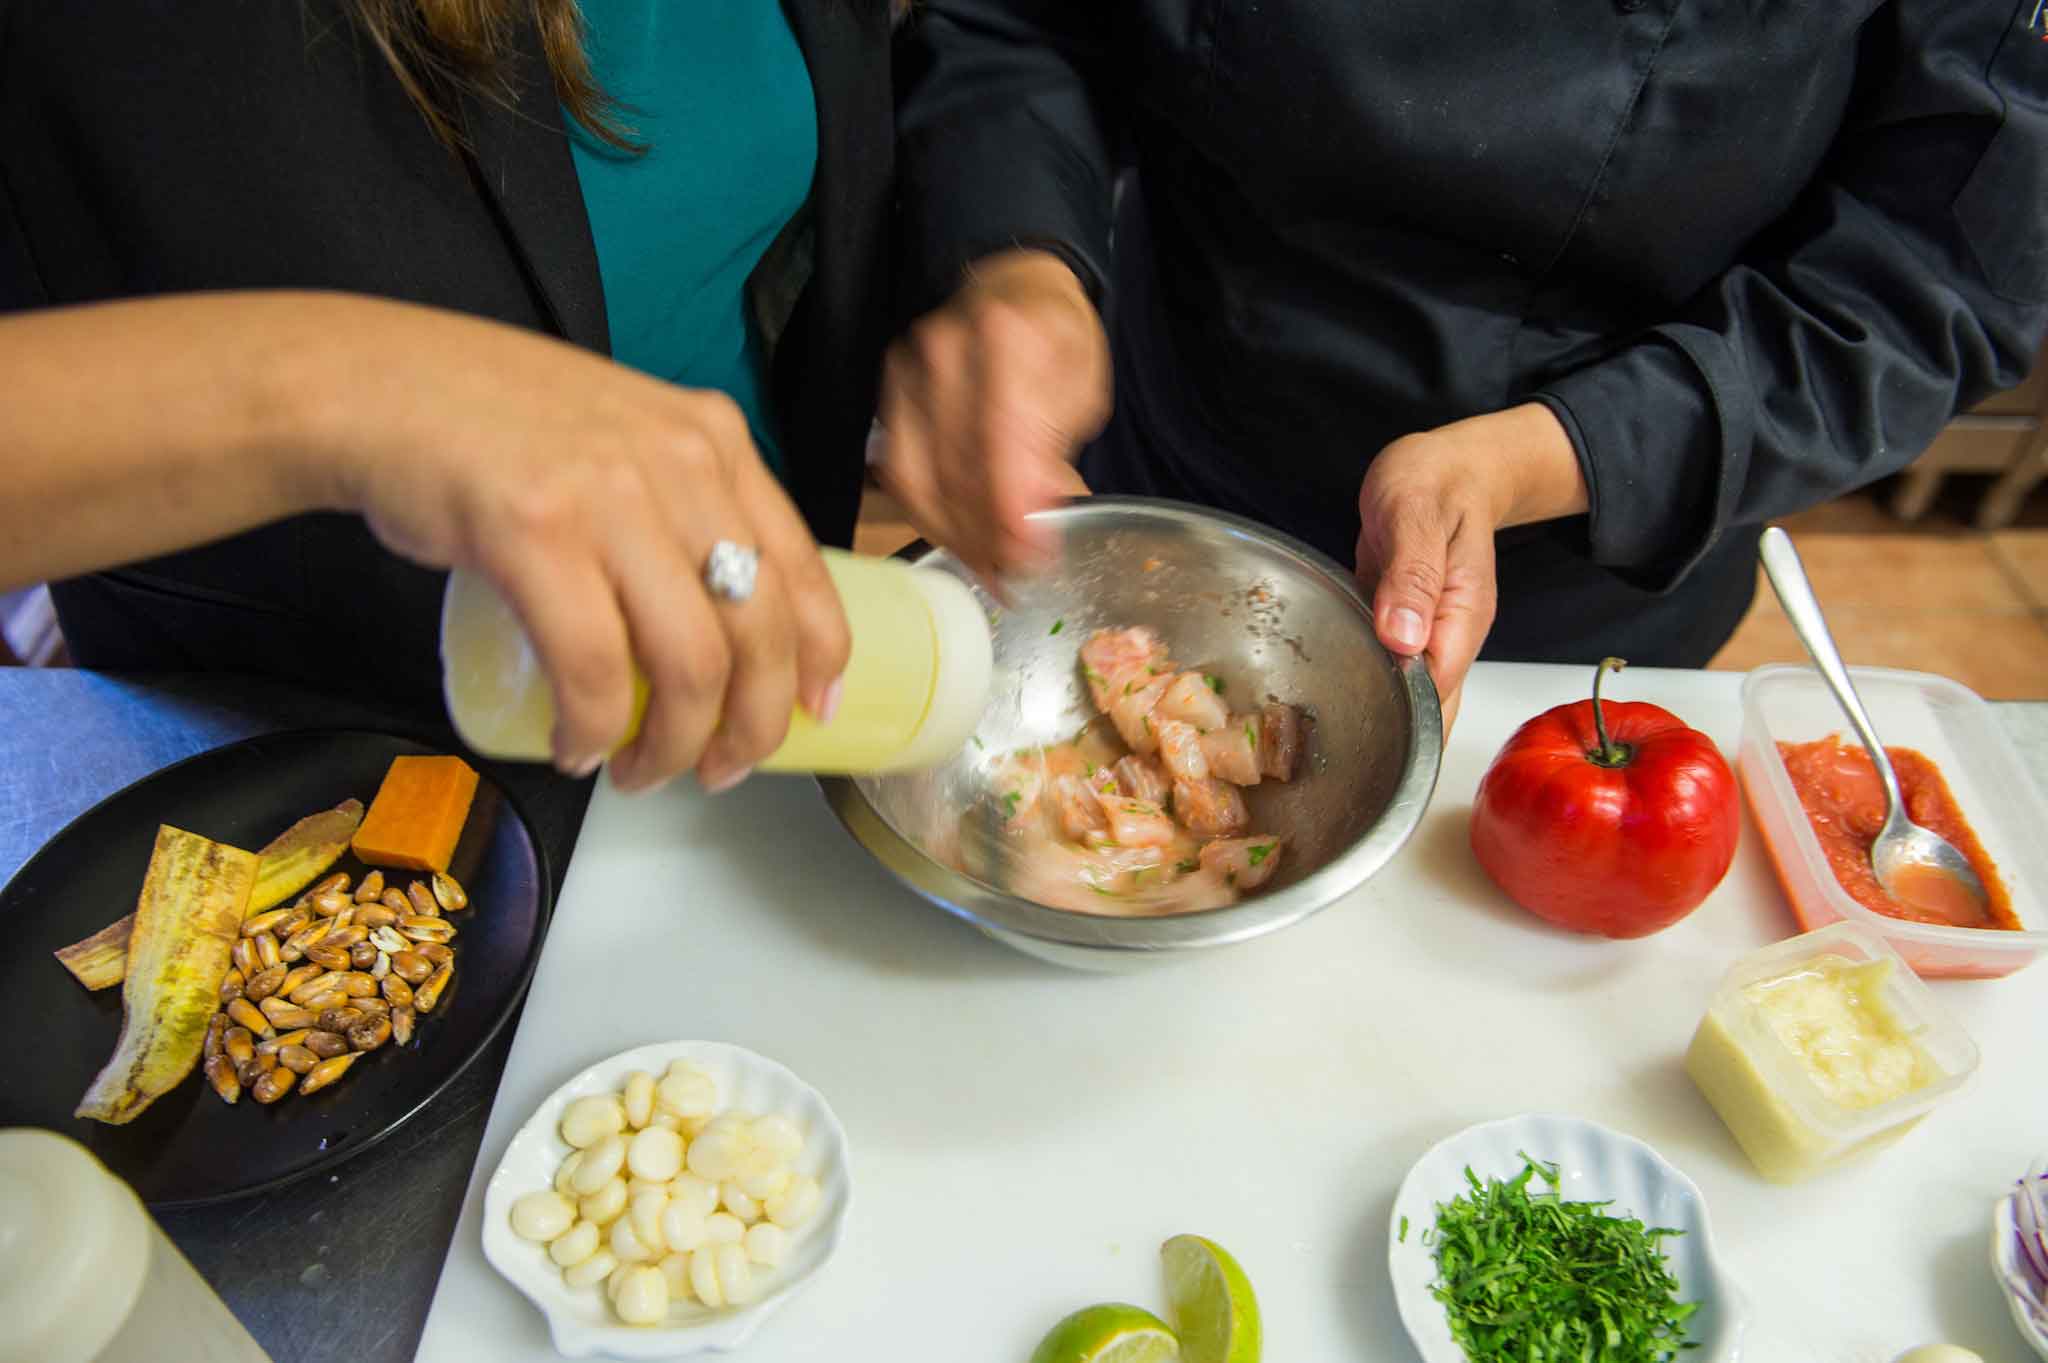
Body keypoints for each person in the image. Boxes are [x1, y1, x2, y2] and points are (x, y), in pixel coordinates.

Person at [881, 1, 2048, 723]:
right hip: (1177, 427)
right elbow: (1026, 22)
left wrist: (1531, 459)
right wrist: (1020, 264)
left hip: (1565, 571)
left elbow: (1928, 279)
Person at [0, 0, 896, 790]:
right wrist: (349, 388)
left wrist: (1010, 254)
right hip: (320, 781)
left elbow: (979, 35)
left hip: (758, 682)